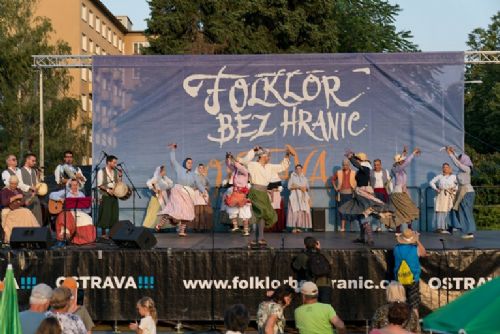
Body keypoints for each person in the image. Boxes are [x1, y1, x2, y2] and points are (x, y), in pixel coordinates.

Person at [239, 146, 290, 247]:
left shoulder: (269, 167)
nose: (269, 158)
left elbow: (282, 166)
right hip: (255, 191)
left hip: (263, 193)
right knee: (261, 214)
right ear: (262, 156)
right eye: (267, 156)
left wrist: (287, 155)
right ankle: (261, 238)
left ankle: (257, 239)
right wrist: (253, 151)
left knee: (265, 215)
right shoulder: (253, 165)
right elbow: (243, 161)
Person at [339, 152, 392, 246]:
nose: (357, 161)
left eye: (358, 159)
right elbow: (357, 166)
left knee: (365, 215)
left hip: (364, 193)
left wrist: (351, 158)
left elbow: (357, 165)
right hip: (359, 193)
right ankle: (362, 237)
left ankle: (370, 239)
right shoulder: (361, 169)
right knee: (360, 215)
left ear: (361, 161)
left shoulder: (366, 168)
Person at [157, 143, 207, 237]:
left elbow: (199, 184)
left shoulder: (194, 175)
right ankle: (159, 225)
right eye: (188, 162)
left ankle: (182, 231)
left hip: (187, 194)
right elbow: (173, 160)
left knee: (186, 212)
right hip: (178, 191)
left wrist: (203, 192)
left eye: (191, 163)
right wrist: (173, 150)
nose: (190, 164)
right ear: (185, 163)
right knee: (173, 210)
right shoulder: (179, 169)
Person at [393, 229, 426, 317]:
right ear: (412, 239)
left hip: (399, 278)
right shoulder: (416, 249)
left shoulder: (396, 249)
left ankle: (401, 324)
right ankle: (415, 327)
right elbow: (424, 253)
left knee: (400, 304)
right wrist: (417, 240)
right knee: (414, 305)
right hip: (413, 279)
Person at [446, 147, 476, 239]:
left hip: (467, 192)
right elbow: (459, 159)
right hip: (461, 191)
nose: (458, 159)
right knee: (455, 209)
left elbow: (458, 163)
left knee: (466, 211)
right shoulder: (463, 168)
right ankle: (453, 226)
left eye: (460, 158)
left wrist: (450, 154)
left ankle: (470, 232)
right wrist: (452, 152)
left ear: (464, 160)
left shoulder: (466, 168)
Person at [291, 236, 332, 304]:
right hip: (325, 284)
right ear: (316, 244)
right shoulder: (323, 254)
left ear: (305, 245)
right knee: (326, 308)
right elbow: (331, 261)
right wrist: (319, 249)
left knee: (312, 307)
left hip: (311, 285)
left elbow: (295, 267)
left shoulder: (303, 255)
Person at [390, 146, 421, 233]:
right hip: (398, 192)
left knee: (408, 209)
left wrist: (404, 153)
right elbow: (405, 163)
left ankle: (409, 230)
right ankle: (399, 230)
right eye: (402, 160)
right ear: (399, 162)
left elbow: (403, 162)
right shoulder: (396, 169)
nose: (403, 161)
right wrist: (413, 153)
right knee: (401, 210)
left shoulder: (400, 169)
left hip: (403, 191)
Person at [1, 175, 39, 242]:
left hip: (18, 209)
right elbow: (4, 203)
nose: (13, 185)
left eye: (15, 184)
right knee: (25, 212)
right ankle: (7, 237)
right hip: (9, 209)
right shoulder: (4, 191)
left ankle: (33, 235)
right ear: (9, 183)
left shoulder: (18, 190)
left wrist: (31, 197)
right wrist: (15, 197)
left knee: (27, 211)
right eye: (12, 183)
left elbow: (25, 203)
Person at [225, 153, 252, 236]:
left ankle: (246, 230)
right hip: (235, 193)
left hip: (242, 194)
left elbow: (239, 167)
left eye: (239, 163)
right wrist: (228, 158)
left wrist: (234, 159)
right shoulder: (236, 171)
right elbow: (229, 165)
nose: (237, 165)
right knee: (231, 208)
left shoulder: (245, 172)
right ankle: (235, 226)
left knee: (245, 212)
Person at [429, 163, 458, 233]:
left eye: (447, 167)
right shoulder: (440, 176)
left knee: (448, 210)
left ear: (449, 168)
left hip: (449, 195)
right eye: (444, 167)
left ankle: (448, 226)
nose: (445, 169)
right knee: (440, 210)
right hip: (441, 195)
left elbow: (458, 184)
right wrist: (436, 189)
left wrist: (454, 189)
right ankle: (440, 227)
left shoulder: (453, 176)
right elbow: (431, 182)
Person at [97, 155, 121, 238]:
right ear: (108, 162)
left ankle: (112, 234)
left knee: (114, 214)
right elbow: (99, 185)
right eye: (114, 162)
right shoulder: (101, 171)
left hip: (114, 195)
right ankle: (103, 234)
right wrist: (108, 190)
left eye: (116, 163)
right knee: (105, 214)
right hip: (106, 194)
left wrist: (120, 176)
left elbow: (118, 183)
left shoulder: (115, 172)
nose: (115, 164)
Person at [16, 153, 43, 225]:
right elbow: (19, 184)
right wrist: (30, 187)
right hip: (25, 196)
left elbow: (36, 183)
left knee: (38, 217)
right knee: (28, 218)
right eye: (33, 161)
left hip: (35, 197)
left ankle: (38, 233)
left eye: (35, 161)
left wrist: (39, 186)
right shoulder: (19, 171)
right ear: (27, 160)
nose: (35, 162)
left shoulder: (34, 171)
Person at [332, 159, 356, 232]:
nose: (345, 166)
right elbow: (333, 180)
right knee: (342, 210)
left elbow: (357, 180)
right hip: (341, 194)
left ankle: (352, 227)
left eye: (346, 165)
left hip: (351, 194)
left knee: (351, 210)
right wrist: (336, 188)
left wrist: (355, 187)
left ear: (349, 165)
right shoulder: (339, 172)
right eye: (343, 165)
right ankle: (343, 227)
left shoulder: (353, 172)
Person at [287, 164, 312, 233]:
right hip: (295, 196)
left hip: (302, 197)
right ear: (295, 170)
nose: (298, 170)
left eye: (300, 169)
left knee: (301, 212)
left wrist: (305, 188)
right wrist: (298, 187)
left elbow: (307, 188)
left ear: (301, 169)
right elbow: (289, 187)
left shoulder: (304, 178)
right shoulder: (292, 177)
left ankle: (299, 227)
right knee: (294, 211)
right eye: (297, 169)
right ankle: (293, 227)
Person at [371, 159, 393, 231]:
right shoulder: (371, 172)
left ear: (380, 165)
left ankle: (388, 225)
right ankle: (379, 226)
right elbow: (369, 182)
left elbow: (389, 181)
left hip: (384, 191)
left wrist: (391, 191)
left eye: (377, 164)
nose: (376, 166)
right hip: (375, 191)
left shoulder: (385, 171)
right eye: (375, 165)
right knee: (377, 210)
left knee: (386, 209)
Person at [191, 163, 213, 232]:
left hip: (204, 194)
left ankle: (203, 227)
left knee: (204, 211)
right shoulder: (195, 176)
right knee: (197, 210)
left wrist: (206, 187)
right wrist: (196, 187)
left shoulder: (205, 176)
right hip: (197, 194)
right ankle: (196, 227)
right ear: (198, 169)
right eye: (200, 168)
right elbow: (192, 185)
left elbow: (209, 185)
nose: (201, 169)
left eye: (202, 168)